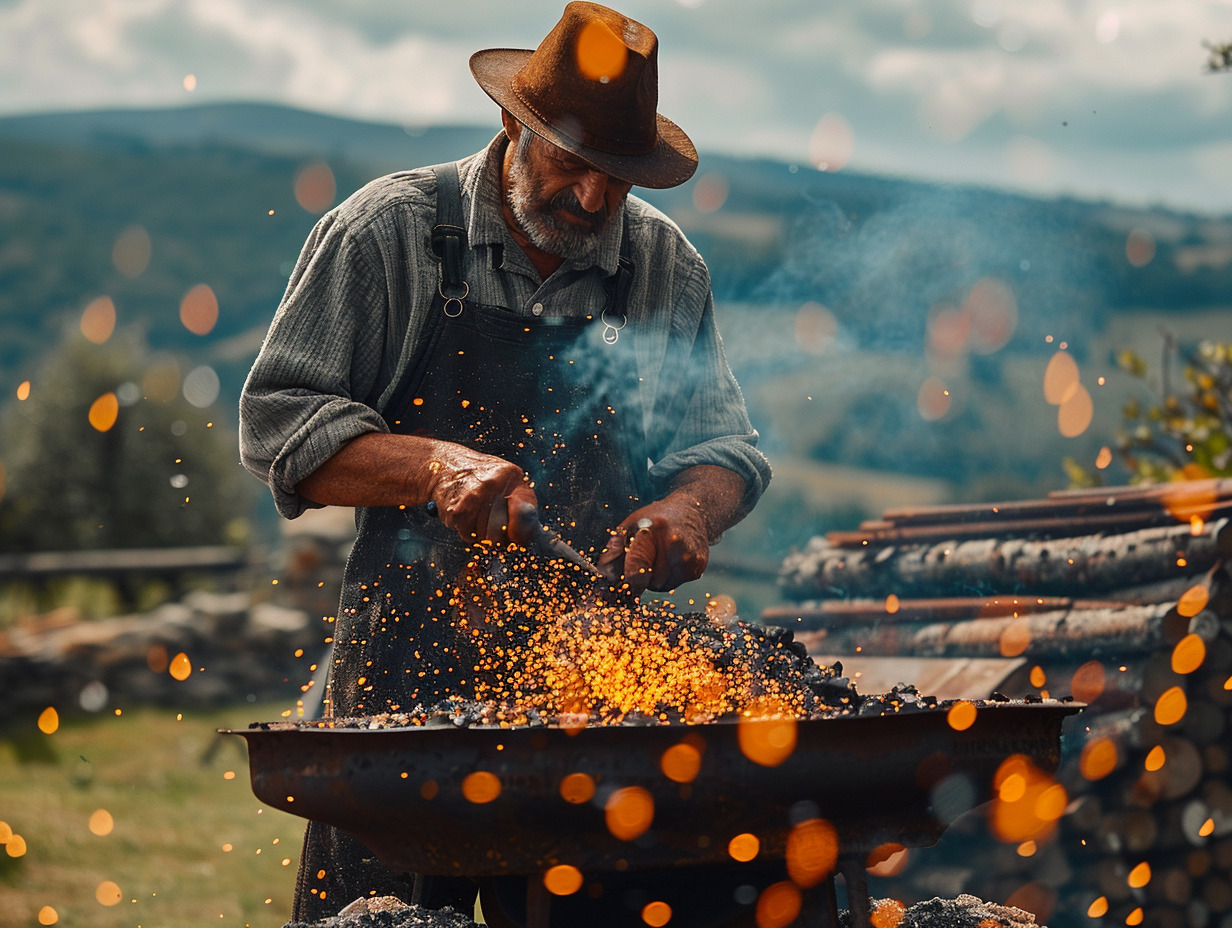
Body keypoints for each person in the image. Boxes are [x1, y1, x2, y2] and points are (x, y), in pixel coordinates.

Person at [239, 2, 771, 922]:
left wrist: (689, 511)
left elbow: (724, 453)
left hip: (595, 705)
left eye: (617, 176)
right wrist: (435, 467)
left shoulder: (663, 270)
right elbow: (279, 423)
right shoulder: (388, 233)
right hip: (404, 704)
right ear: (512, 125)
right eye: (573, 164)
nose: (596, 200)